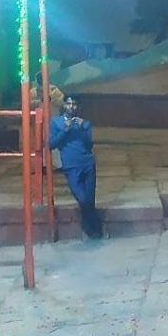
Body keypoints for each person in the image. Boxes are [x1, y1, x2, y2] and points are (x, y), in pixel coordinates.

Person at [49, 95, 104, 239]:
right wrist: (65, 130)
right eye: (69, 104)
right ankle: (95, 227)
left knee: (90, 200)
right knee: (83, 199)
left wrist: (82, 129)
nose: (71, 107)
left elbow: (89, 144)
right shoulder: (56, 122)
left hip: (87, 164)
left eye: (74, 104)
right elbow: (51, 144)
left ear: (78, 106)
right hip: (71, 166)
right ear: (64, 105)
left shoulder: (84, 123)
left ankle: (94, 232)